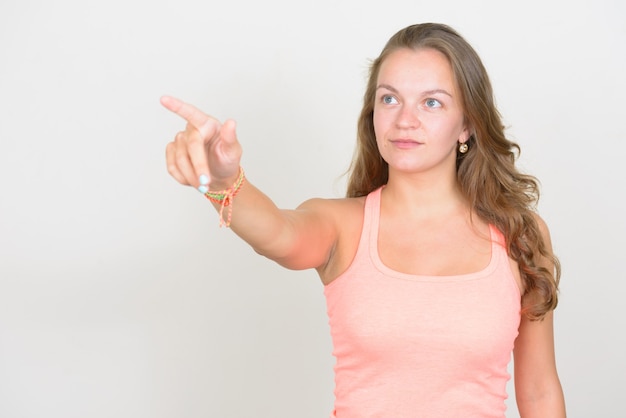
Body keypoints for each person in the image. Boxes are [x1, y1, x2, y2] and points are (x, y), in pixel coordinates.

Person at [161, 22, 565, 418]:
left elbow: (539, 391)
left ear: (467, 125)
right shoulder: (342, 225)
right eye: (390, 99)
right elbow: (278, 234)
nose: (405, 119)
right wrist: (222, 181)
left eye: (432, 102)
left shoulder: (522, 235)